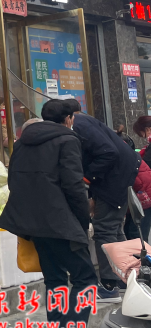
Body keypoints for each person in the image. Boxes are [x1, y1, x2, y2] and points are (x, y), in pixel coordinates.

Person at [0, 100, 97, 328]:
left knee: (55, 280)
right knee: (86, 279)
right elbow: (74, 186)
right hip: (60, 222)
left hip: (34, 223)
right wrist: (83, 221)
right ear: (68, 119)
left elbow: (13, 180)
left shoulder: (22, 142)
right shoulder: (67, 140)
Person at [62, 99, 141, 301]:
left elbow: (108, 153)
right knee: (114, 229)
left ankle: (108, 285)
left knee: (104, 229)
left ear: (67, 118)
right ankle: (127, 278)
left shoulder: (79, 126)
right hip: (120, 174)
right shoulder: (84, 121)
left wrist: (87, 179)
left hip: (114, 178)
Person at [128, 115, 151, 241]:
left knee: (139, 232)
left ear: (147, 129)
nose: (143, 137)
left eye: (141, 134)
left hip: (147, 192)